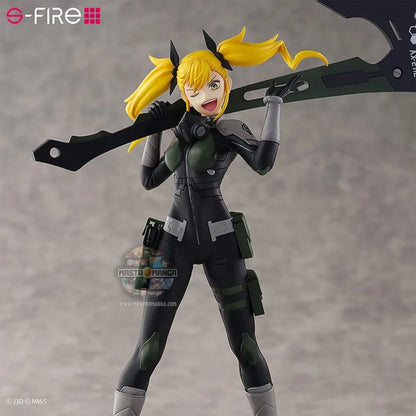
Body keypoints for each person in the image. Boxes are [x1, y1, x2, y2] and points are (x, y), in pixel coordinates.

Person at [113, 28, 327, 416]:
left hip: (221, 242)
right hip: (173, 243)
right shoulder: (179, 133)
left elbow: (262, 163)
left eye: (213, 85)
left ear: (225, 83)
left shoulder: (227, 130)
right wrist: (154, 131)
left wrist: (274, 105)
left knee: (245, 345)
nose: (206, 95)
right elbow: (148, 180)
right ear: (184, 93)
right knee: (149, 348)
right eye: (194, 90)